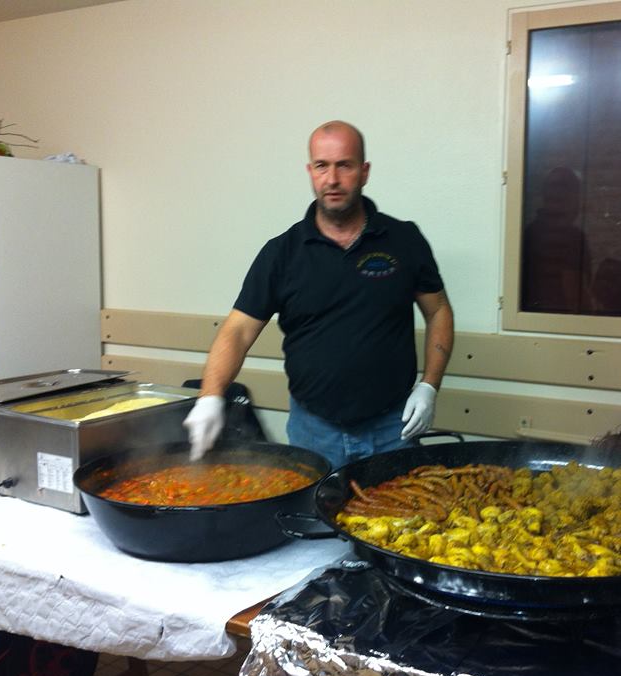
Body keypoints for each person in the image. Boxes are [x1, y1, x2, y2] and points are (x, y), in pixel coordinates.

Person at [183, 120, 454, 469]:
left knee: (400, 521)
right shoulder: (281, 253)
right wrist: (210, 397)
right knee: (314, 521)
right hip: (314, 431)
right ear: (310, 171)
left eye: (345, 165)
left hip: (393, 426)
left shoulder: (404, 239)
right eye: (322, 166)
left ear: (364, 171)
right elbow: (237, 330)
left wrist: (429, 386)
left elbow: (438, 311)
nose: (333, 179)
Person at [520, 166, 591, 313]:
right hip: (562, 323)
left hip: (532, 320)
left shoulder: (528, 232)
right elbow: (573, 293)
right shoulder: (572, 237)